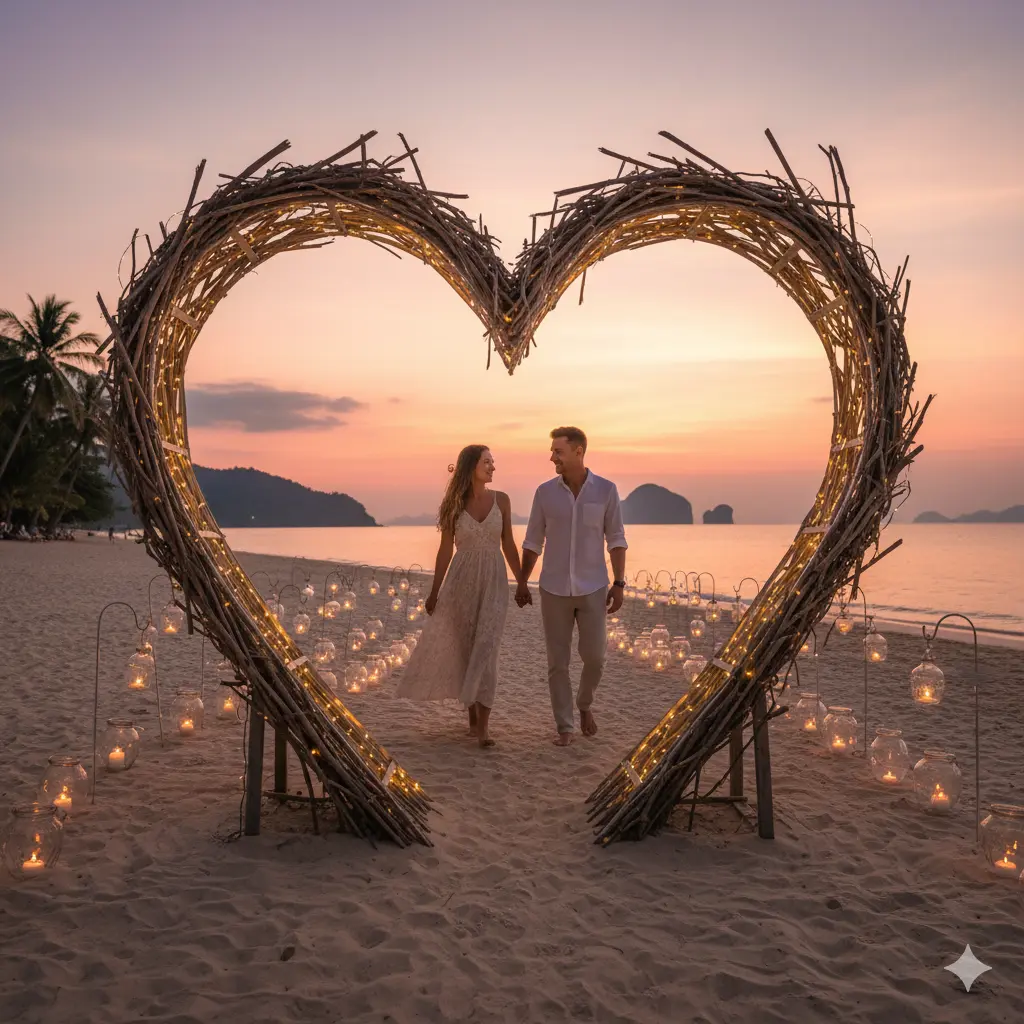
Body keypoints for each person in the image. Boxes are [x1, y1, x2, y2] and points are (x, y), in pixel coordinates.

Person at [396, 445, 524, 747]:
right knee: (466, 647)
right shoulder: (453, 504)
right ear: (471, 467)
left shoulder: (502, 501)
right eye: (486, 462)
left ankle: (484, 728)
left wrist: (521, 582)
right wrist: (434, 591)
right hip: (460, 581)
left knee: (487, 649)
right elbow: (444, 551)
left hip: (494, 579)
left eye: (493, 462)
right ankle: (471, 718)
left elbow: (509, 544)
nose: (493, 467)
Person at [517, 427, 627, 746]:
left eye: (558, 452)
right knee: (558, 663)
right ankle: (564, 726)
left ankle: (584, 705)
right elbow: (533, 541)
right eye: (552, 451)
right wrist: (523, 580)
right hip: (552, 588)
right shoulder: (544, 492)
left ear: (578, 451)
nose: (552, 457)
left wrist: (619, 583)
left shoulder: (606, 490)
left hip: (594, 587)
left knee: (595, 658)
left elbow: (617, 539)